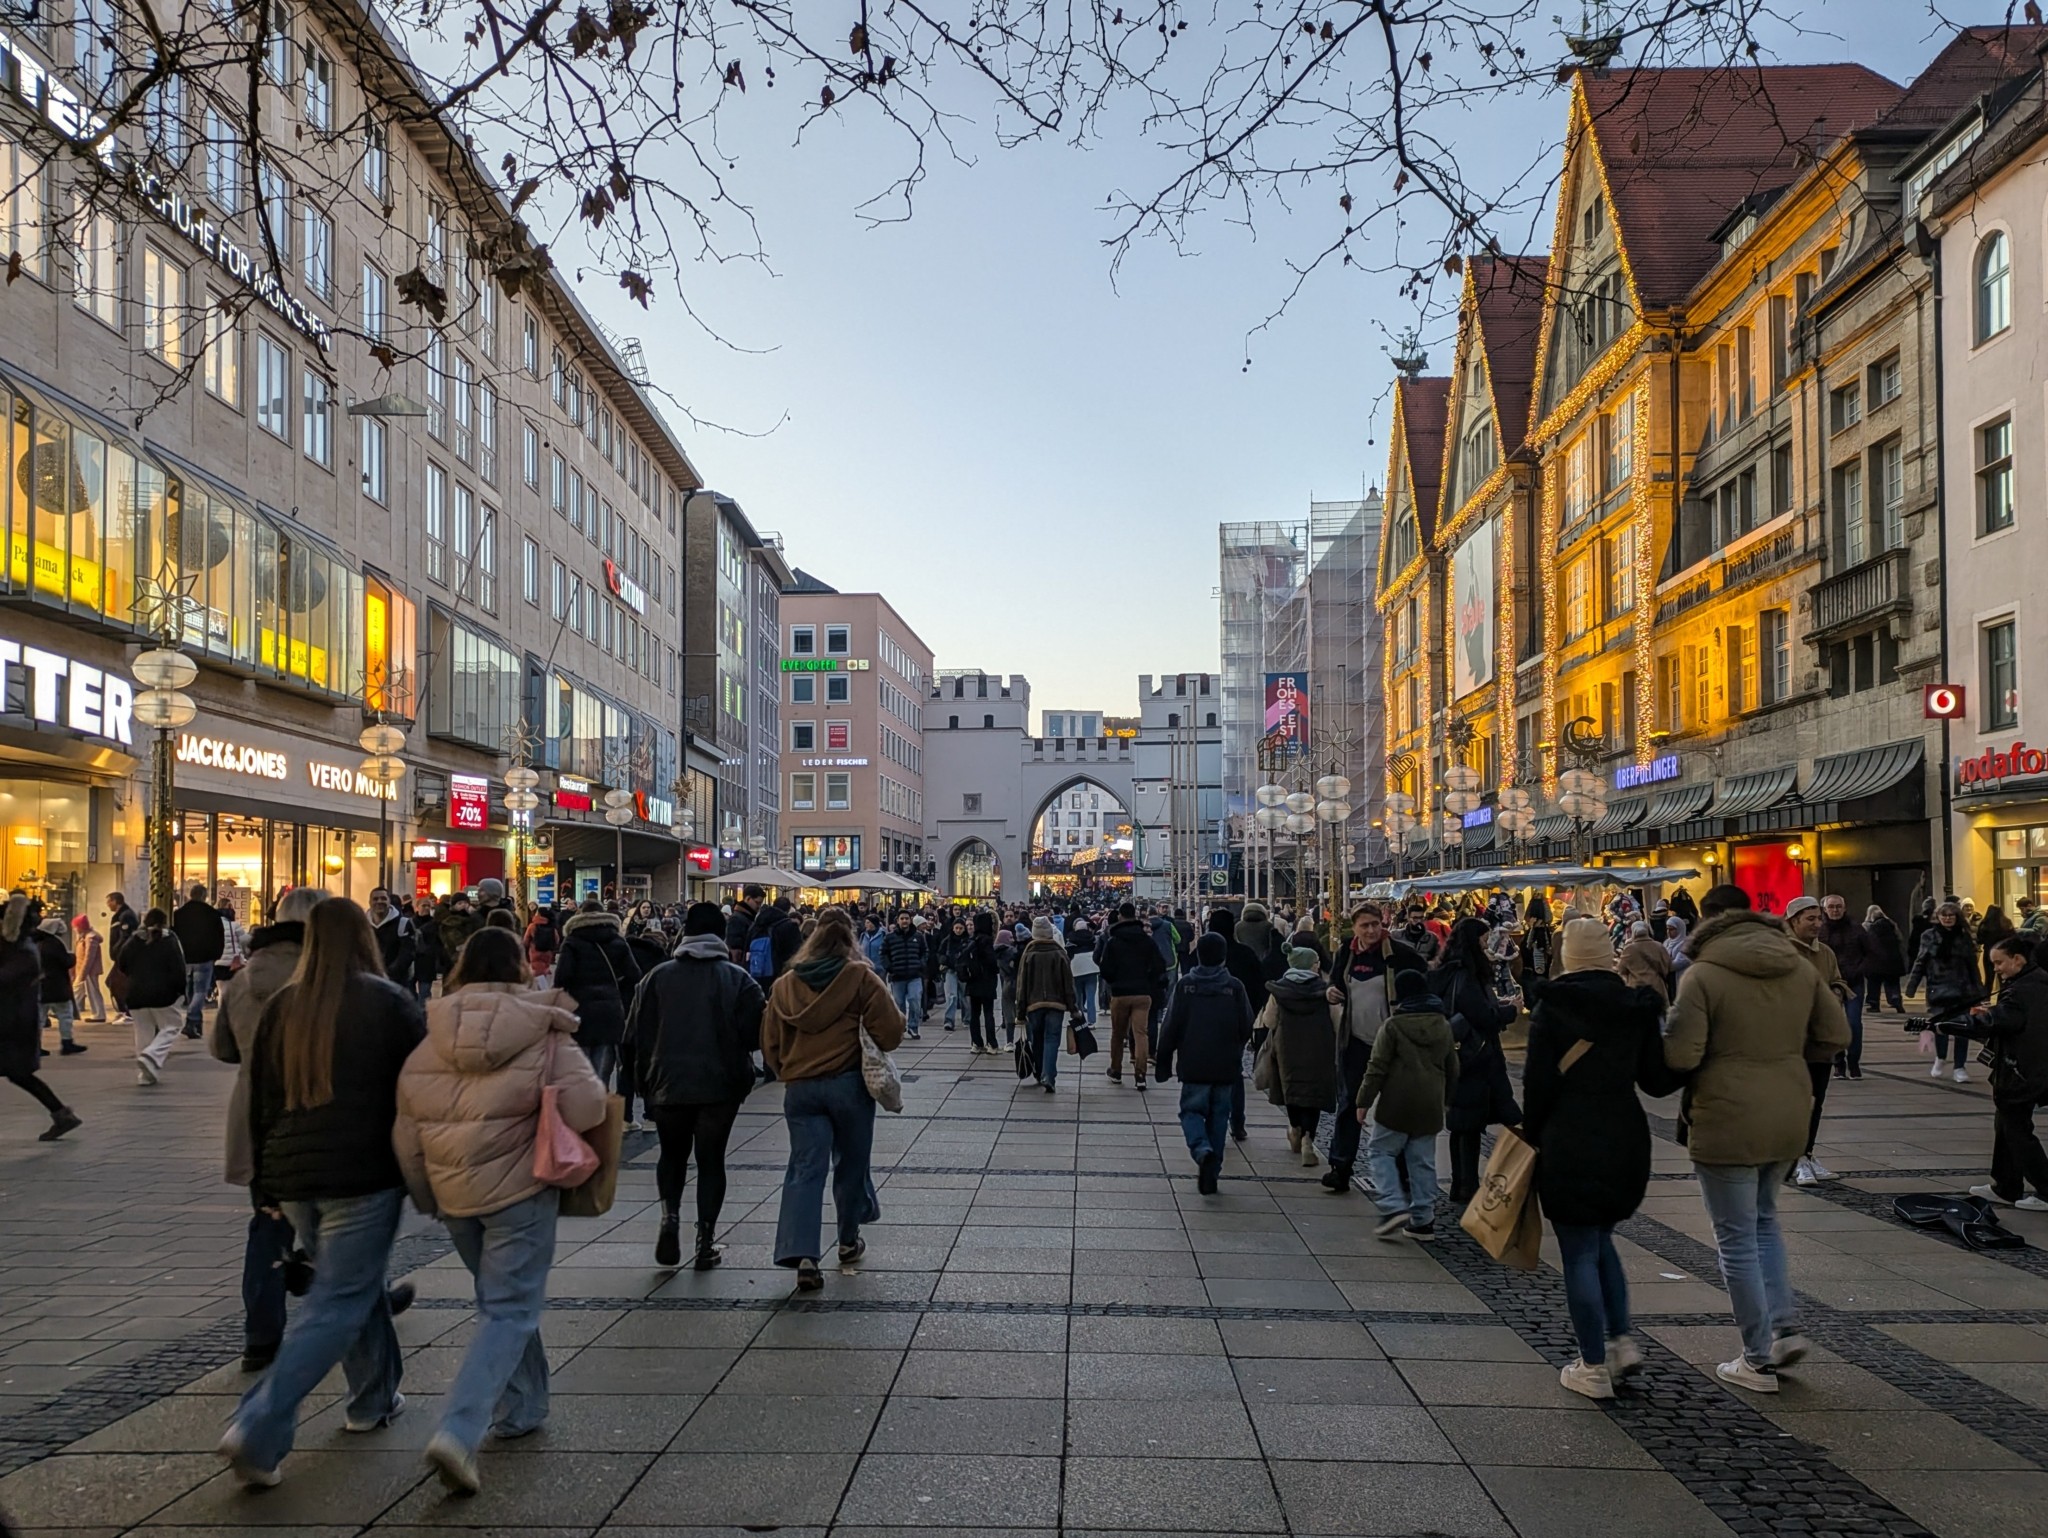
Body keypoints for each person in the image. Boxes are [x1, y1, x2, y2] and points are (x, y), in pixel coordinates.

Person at [218, 899, 426, 1487]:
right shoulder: (386, 1000)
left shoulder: (286, 1002)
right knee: (338, 1299)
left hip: (294, 1174)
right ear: (366, 938)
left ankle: (373, 1399)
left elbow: (261, 1095)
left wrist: (265, 1183)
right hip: (361, 1173)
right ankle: (259, 1423)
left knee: (354, 1290)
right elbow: (421, 1083)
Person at [393, 925, 606, 1494]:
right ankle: (459, 1430)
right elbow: (587, 1109)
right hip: (520, 1189)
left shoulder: (429, 1035)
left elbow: (407, 1130)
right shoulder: (544, 1029)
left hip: (454, 1194)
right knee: (509, 1308)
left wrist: (425, 1194)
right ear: (520, 967)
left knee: (502, 1301)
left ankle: (523, 1406)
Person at [1664, 884, 1848, 1394]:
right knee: (1765, 1221)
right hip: (1789, 1110)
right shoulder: (1800, 966)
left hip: (1727, 1114)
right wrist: (1785, 1054)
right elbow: (1836, 1036)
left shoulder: (1702, 974)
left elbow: (1681, 1055)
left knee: (1736, 1237)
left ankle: (1757, 1353)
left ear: (1706, 921)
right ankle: (1783, 1326)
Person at [1525, 917, 1678, 1398]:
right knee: (1602, 1240)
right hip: (1626, 1139)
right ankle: (1619, 1341)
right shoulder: (1636, 1008)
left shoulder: (1552, 1009)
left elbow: (1538, 1086)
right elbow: (1656, 1080)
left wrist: (1532, 1141)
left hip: (1570, 1140)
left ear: (1567, 956)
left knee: (1578, 1252)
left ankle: (1592, 1365)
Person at [213, 886, 328, 1373]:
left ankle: (260, 1335)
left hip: (255, 1117)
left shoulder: (244, 979)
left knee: (268, 1222)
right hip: (315, 1111)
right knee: (342, 1221)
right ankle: (362, 1306)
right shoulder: (323, 976)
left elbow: (222, 1048)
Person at [761, 909, 905, 1292]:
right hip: (848, 1085)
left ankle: (804, 1255)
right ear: (849, 940)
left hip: (801, 1089)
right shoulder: (861, 977)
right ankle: (846, 1240)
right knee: (851, 1163)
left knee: (805, 1168)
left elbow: (770, 1043)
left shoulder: (785, 985)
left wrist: (787, 1069)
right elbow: (891, 1034)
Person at [628, 902, 763, 1269]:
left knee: (671, 1155)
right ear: (721, 935)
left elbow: (634, 1035)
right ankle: (705, 1240)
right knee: (711, 1161)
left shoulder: (655, 978)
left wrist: (641, 1082)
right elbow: (755, 1035)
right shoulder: (738, 979)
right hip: (720, 1082)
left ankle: (669, 1216)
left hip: (667, 1082)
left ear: (685, 933)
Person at [1320, 905, 1428, 1193]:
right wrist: (1330, 991)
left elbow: (1424, 983)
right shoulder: (1347, 952)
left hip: (1394, 1045)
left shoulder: (1400, 954)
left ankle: (1403, 1172)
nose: (1371, 930)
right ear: (1354, 926)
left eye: (1376, 924)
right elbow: (1335, 981)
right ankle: (1340, 1167)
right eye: (1365, 925)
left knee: (1398, 1108)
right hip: (1354, 1042)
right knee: (1349, 1106)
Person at [1355, 969, 1459, 1242]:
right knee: (1422, 1160)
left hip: (1397, 1102)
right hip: (1430, 1102)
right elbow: (1453, 1068)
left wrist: (1363, 1101)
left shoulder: (1393, 1026)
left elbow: (1376, 1067)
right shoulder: (1443, 1025)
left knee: (1380, 1151)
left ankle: (1392, 1206)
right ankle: (1423, 1220)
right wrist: (1447, 1100)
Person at [1154, 932, 1254, 1195]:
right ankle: (1213, 1168)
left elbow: (1171, 1025)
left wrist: (1163, 1060)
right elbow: (1246, 1025)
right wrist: (1234, 1047)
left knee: (1191, 1111)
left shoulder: (1186, 986)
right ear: (1223, 957)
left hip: (1194, 1061)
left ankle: (1201, 1149)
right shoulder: (1234, 987)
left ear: (1198, 955)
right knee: (1220, 1116)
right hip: (1226, 1064)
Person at [1434, 917, 1521, 1204]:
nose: (1487, 946)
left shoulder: (1449, 971)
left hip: (1459, 1057)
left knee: (1462, 1125)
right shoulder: (1467, 976)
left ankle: (1460, 1184)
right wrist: (1510, 1012)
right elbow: (1481, 1016)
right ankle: (1466, 1186)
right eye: (1483, 941)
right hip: (1473, 1059)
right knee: (1467, 1126)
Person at [1963, 933, 2048, 1211]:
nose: (1996, 968)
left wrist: (1982, 1018)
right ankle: (2006, 1185)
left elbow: (2007, 1021)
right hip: (2030, 1068)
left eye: (1999, 963)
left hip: (2021, 1070)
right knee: (2006, 1125)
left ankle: (2046, 1189)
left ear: (2018, 960)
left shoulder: (2022, 990)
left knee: (2016, 1130)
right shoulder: (2035, 982)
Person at [1785, 896, 1853, 1187]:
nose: (1816, 923)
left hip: (1820, 1040)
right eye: (1809, 918)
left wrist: (1835, 993)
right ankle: (1793, 1157)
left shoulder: (1825, 952)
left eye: (1818, 918)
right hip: (1789, 1040)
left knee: (1817, 1100)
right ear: (1793, 920)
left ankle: (1808, 1153)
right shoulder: (1780, 951)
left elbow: (1838, 980)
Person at [0, 896, 80, 1140]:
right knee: (20, 1075)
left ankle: (61, 1113)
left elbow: (5, 979)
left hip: (14, 1023)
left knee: (20, 1073)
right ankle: (61, 1113)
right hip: (13, 1020)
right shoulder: (18, 947)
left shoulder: (24, 951)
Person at [551, 898, 644, 1092]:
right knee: (603, 1068)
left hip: (579, 1009)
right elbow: (634, 975)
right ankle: (599, 1108)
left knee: (581, 1066)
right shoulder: (617, 940)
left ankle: (583, 1110)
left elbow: (561, 978)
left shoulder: (573, 941)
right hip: (610, 1009)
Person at [1263, 946, 1338, 1167]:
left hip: (1287, 1048)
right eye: (1315, 962)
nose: (1318, 965)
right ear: (1308, 964)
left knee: (1292, 1090)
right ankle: (1308, 1140)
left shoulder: (1279, 990)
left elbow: (1269, 1020)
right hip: (1318, 1048)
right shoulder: (1324, 991)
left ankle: (1295, 1129)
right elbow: (1337, 1020)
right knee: (1313, 1095)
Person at [1906, 900, 1985, 1083]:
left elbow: (1972, 965)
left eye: (1951, 915)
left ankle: (1959, 1067)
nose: (1948, 919)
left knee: (1962, 1029)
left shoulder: (1964, 936)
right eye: (1944, 915)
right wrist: (1912, 985)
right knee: (1941, 1028)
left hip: (1962, 989)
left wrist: (1979, 989)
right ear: (1938, 917)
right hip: (1938, 988)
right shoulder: (1929, 936)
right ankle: (1940, 1058)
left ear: (1957, 918)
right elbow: (1921, 960)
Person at [1097, 901, 1167, 1089]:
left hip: (1120, 994)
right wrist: (1148, 981)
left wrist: (1114, 982)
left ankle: (1116, 1070)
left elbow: (1105, 968)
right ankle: (1141, 1075)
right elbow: (1160, 965)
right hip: (1142, 993)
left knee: (1118, 1034)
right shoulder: (1147, 941)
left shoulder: (1113, 941)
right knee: (1141, 1034)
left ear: (1120, 916)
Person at [120, 908, 189, 1084]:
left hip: (135, 993)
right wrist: (181, 990)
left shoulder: (134, 939)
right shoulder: (169, 939)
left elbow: (122, 963)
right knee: (173, 1025)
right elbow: (179, 968)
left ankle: (145, 1075)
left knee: (143, 1031)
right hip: (163, 993)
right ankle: (151, 1055)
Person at [1014, 915, 1080, 1091]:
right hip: (1056, 1004)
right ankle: (1048, 1075)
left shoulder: (1028, 954)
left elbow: (1022, 985)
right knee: (1052, 1039)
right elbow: (1068, 983)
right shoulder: (1059, 953)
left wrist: (1020, 1012)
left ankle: (1039, 1071)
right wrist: (1073, 1007)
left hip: (1033, 1005)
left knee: (1037, 1038)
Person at [1816, 895, 1875, 1078]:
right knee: (1832, 1024)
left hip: (1853, 983)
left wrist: (1859, 970)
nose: (1835, 910)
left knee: (1854, 1023)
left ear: (1844, 908)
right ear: (1825, 909)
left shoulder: (1856, 929)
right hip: (1829, 984)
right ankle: (1838, 1062)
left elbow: (1871, 953)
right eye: (1831, 907)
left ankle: (1854, 1062)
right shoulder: (1820, 930)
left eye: (1839, 907)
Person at [173, 883, 226, 1039]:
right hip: (204, 958)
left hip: (185, 958)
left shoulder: (179, 914)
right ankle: (192, 1019)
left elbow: (174, 936)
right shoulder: (212, 914)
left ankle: (195, 1024)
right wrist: (217, 954)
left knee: (190, 990)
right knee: (200, 991)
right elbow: (219, 937)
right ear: (204, 896)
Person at [32, 916, 81, 1055]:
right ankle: (67, 1043)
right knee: (65, 1014)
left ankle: (36, 1045)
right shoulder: (54, 944)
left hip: (42, 985)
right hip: (57, 985)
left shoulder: (38, 943)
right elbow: (65, 961)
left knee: (39, 1018)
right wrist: (72, 957)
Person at [878, 911, 928, 1040]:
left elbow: (924, 952)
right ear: (898, 920)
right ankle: (901, 1027)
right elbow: (883, 953)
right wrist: (889, 967)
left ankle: (913, 1027)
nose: (904, 921)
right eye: (902, 919)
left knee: (915, 1000)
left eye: (907, 918)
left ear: (910, 920)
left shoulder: (918, 936)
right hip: (897, 976)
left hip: (914, 975)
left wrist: (921, 964)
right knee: (899, 1003)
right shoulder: (890, 937)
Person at [961, 912, 1002, 1054]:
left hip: (973, 982)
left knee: (975, 1014)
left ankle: (976, 1043)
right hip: (987, 982)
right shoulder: (987, 941)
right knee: (988, 1013)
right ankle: (992, 1043)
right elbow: (991, 962)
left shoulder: (973, 940)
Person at [1863, 904, 1906, 1014]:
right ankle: (1896, 999)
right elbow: (1900, 939)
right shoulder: (1891, 924)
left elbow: (1862, 943)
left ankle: (1874, 1004)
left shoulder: (1866, 926)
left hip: (1875, 960)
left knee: (1874, 984)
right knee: (1892, 982)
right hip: (1892, 959)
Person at [1617, 921, 1672, 1004]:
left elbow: (1621, 969)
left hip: (1637, 989)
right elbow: (1667, 966)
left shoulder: (1629, 949)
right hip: (1657, 987)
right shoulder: (1659, 946)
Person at [71, 913, 106, 1023]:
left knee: (92, 991)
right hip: (84, 969)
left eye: (76, 927)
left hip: (89, 970)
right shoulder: (84, 937)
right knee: (80, 990)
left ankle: (98, 1014)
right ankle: (73, 1011)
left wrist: (83, 973)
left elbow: (89, 957)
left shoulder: (90, 938)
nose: (74, 929)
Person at [1067, 915, 1101, 1027]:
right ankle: (1092, 1021)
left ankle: (1081, 1020)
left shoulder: (1071, 939)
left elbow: (1068, 955)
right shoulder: (1092, 938)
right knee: (1091, 996)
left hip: (1076, 969)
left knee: (1078, 997)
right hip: (1092, 968)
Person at [725, 883, 765, 964]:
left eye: (760, 904)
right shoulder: (737, 919)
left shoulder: (747, 917)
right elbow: (735, 950)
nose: (759, 906)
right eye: (757, 903)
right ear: (748, 898)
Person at [525, 905, 560, 985]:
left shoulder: (532, 926)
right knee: (545, 969)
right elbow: (556, 940)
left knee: (536, 972)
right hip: (548, 952)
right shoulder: (552, 927)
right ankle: (544, 985)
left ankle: (540, 989)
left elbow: (526, 940)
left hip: (535, 951)